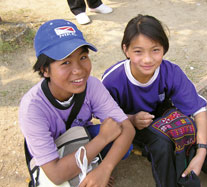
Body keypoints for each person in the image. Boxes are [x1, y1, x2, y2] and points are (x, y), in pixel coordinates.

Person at [102, 14, 207, 187]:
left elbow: (198, 110)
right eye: (138, 51)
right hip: (129, 126)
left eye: (155, 50)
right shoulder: (113, 79)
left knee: (186, 125)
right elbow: (105, 118)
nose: (147, 59)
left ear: (164, 48)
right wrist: (132, 119)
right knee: (161, 144)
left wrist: (201, 153)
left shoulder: (170, 71)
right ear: (126, 50)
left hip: (162, 117)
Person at [18, 19, 135, 187]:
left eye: (83, 57)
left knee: (123, 142)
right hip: (53, 156)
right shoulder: (32, 108)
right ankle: (82, 170)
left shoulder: (92, 86)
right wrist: (102, 138)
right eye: (65, 62)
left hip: (79, 139)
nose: (79, 69)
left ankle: (90, 168)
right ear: (44, 70)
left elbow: (127, 128)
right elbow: (56, 174)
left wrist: (104, 170)